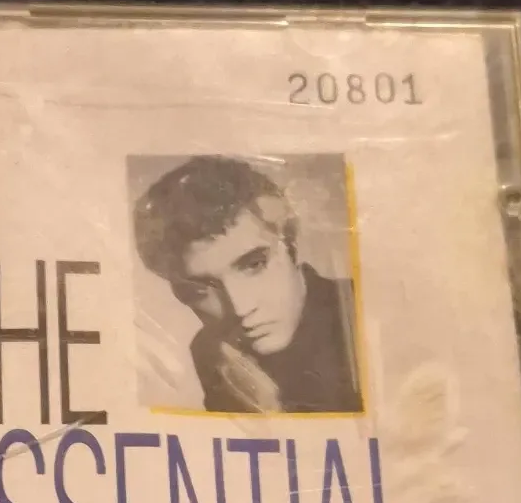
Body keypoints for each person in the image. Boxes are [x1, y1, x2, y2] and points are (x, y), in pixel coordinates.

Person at [133, 155, 362, 414]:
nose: (240, 308)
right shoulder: (211, 352)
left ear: (291, 245)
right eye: (201, 290)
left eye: (254, 264)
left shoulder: (363, 316)